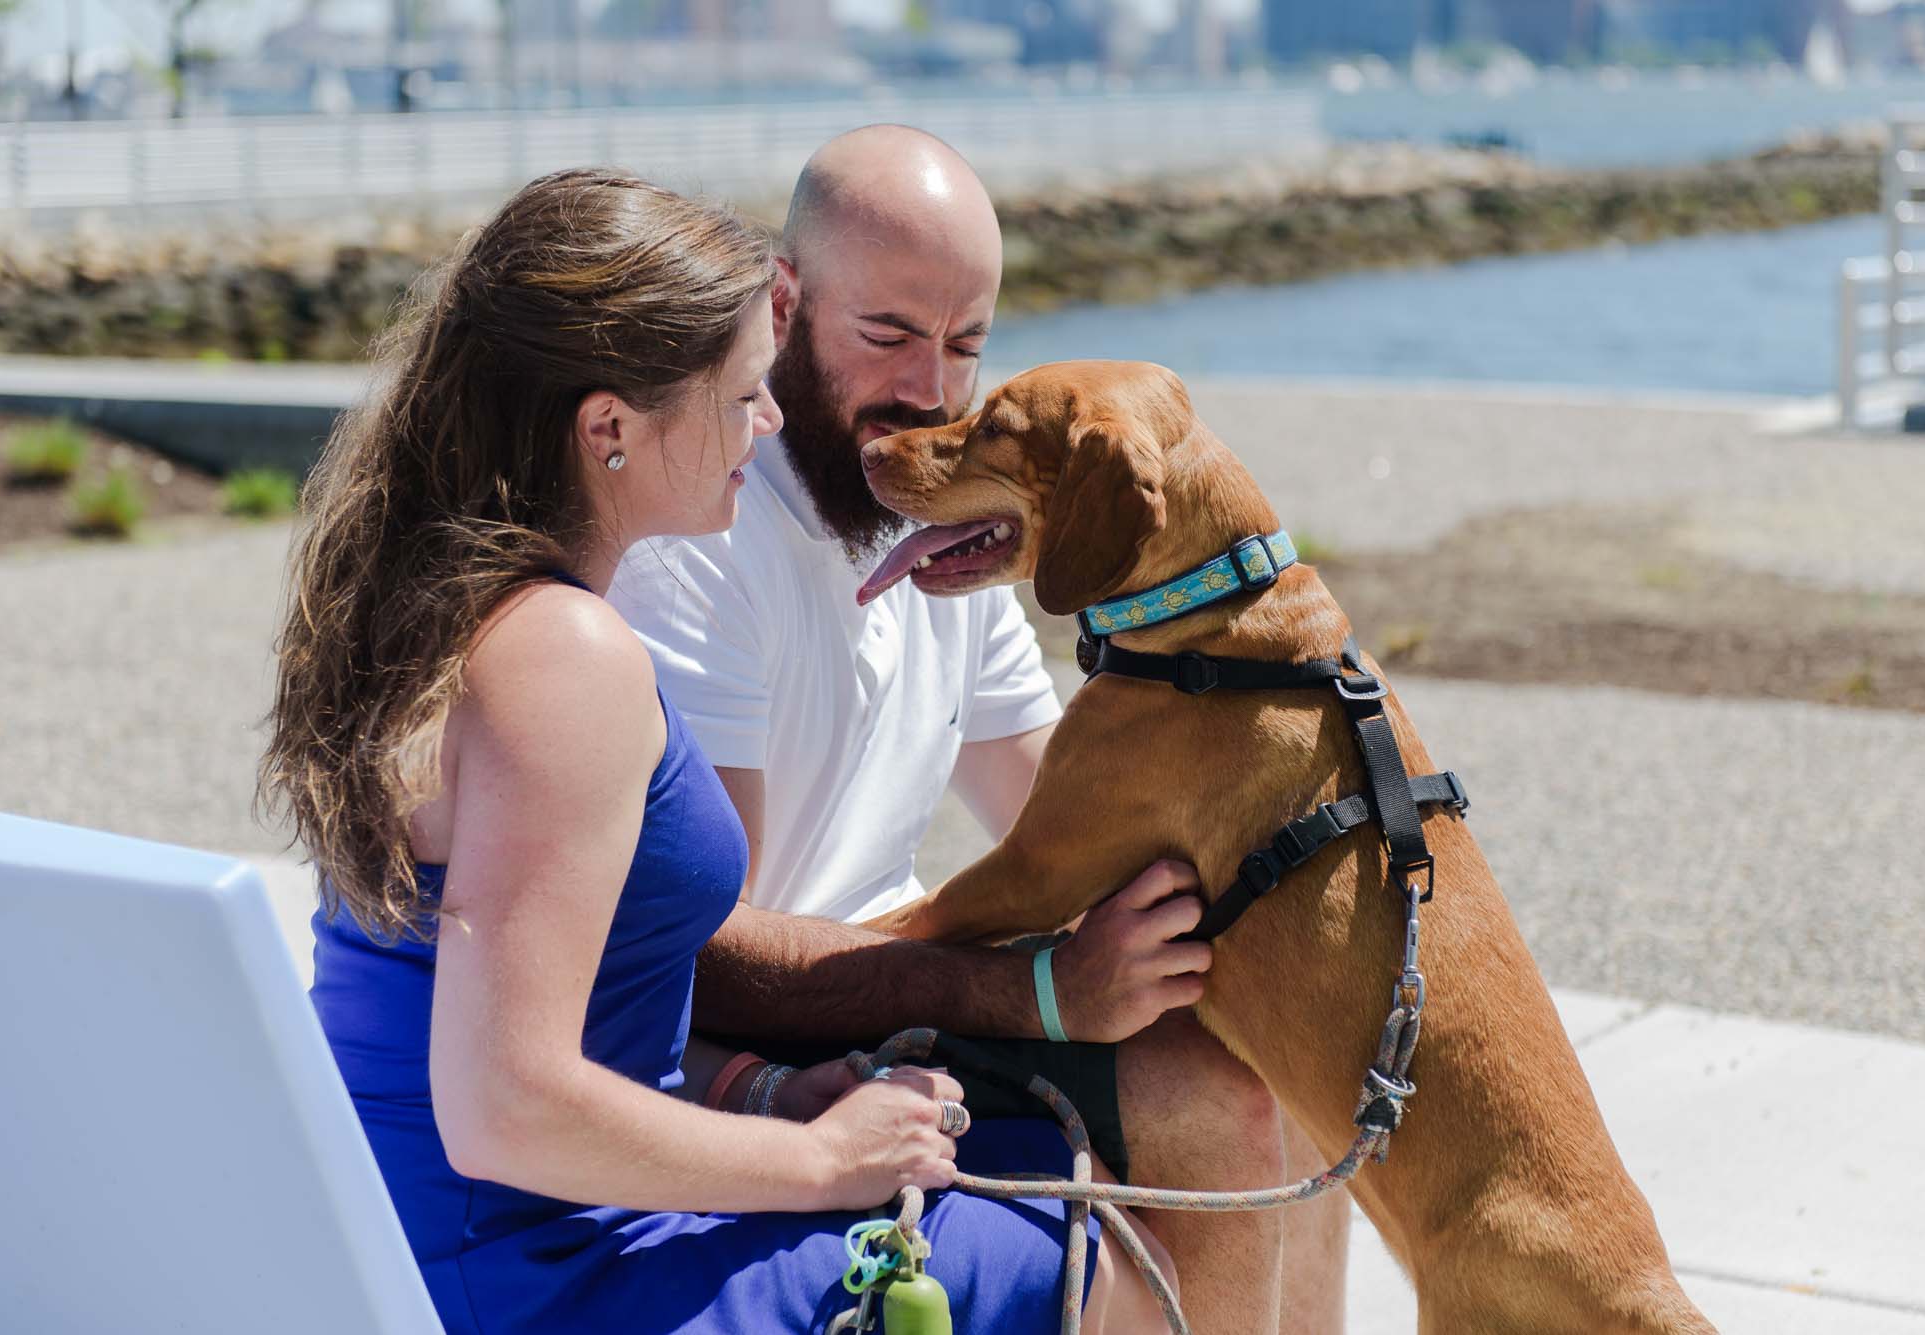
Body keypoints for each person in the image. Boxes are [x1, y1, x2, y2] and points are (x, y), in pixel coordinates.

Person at [259, 168, 1175, 1334]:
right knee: (1115, 1248)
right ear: (610, 429)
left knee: (1031, 1161)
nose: (772, 421)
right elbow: (500, 1105)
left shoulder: (461, 610)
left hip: (460, 1230)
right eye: (743, 393)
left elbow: (576, 1015)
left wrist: (772, 1093)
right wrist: (823, 1162)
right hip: (535, 1273)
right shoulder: (563, 658)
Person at [609, 126, 1350, 1335]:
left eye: (963, 346)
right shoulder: (706, 538)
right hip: (770, 1034)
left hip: (904, 980)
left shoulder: (936, 537)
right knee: (1228, 1110)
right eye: (888, 336)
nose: (929, 392)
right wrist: (1043, 991)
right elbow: (705, 955)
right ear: (782, 307)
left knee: (1292, 1065)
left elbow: (1070, 822)